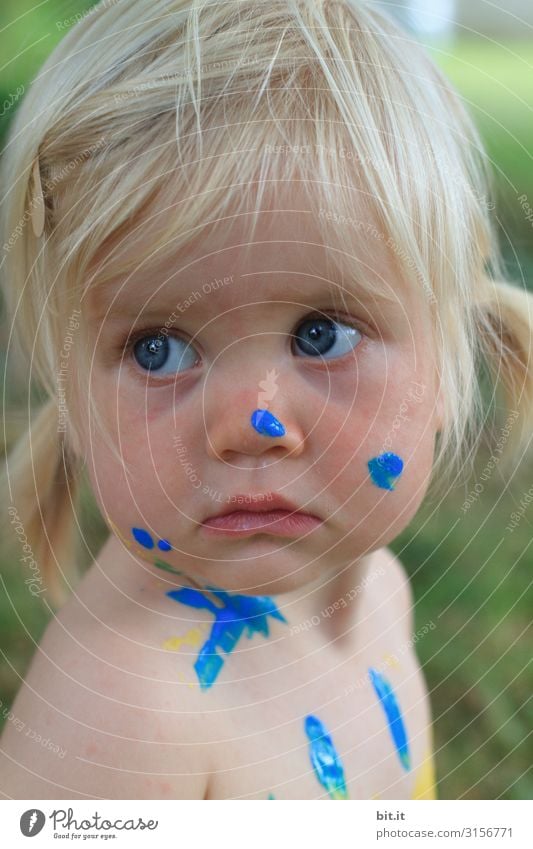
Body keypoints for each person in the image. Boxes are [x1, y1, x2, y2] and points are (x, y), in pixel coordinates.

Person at [0, 0, 531, 800]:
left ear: (447, 361)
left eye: (322, 334)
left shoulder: (372, 586)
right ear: (73, 396)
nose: (251, 425)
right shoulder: (128, 714)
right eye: (159, 349)